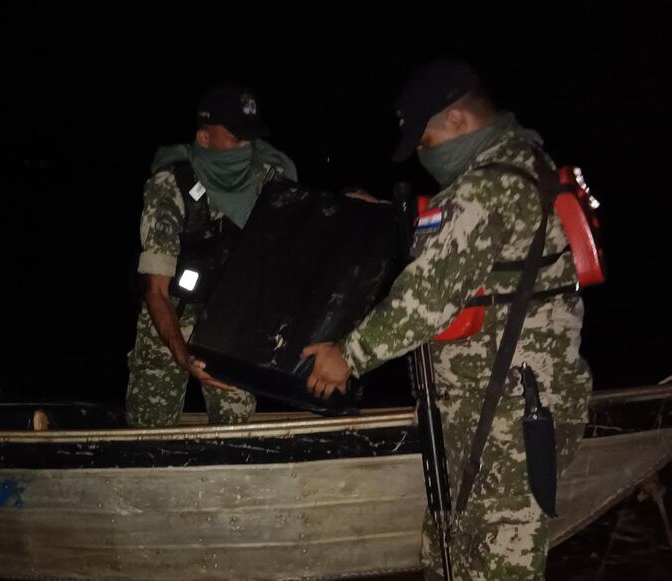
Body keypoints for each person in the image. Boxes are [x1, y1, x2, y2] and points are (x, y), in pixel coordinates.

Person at [303, 59, 592, 580]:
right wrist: (392, 216)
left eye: (426, 137)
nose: (422, 151)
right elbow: (470, 245)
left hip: (506, 415)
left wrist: (347, 355)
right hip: (503, 404)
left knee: (496, 562)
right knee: (453, 553)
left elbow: (426, 298)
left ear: (456, 120)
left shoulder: (486, 186)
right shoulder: (525, 162)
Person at [127, 83, 297, 427]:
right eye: (236, 138)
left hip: (230, 315)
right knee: (149, 427)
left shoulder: (267, 175)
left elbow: (304, 216)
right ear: (204, 139)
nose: (246, 147)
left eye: (251, 138)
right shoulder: (170, 186)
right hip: (171, 310)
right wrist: (181, 351)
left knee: (238, 424)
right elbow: (156, 290)